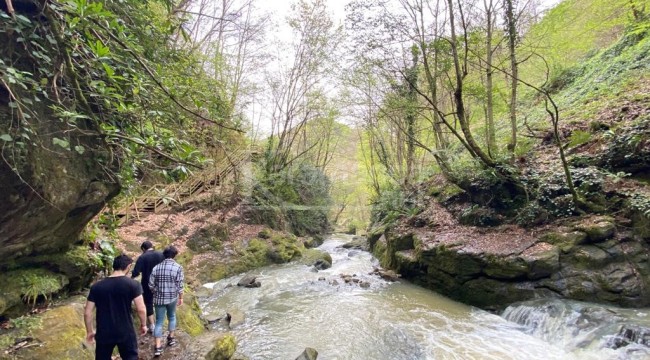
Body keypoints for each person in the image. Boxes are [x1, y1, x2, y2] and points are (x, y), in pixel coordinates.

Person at [84, 254, 147, 360]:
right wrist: (143, 324)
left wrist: (90, 331)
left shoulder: (97, 286)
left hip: (104, 331)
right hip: (125, 330)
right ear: (128, 266)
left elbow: (87, 312)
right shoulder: (133, 285)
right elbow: (141, 309)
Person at [149, 245, 184, 357]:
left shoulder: (156, 268)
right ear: (174, 255)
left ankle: (158, 347)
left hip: (159, 299)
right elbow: (180, 285)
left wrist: (156, 291)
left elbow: (150, 284)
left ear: (164, 255)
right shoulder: (178, 267)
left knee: (159, 322)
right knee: (172, 316)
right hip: (172, 297)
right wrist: (181, 297)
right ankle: (171, 338)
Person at [131, 240, 164, 332]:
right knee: (159, 301)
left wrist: (131, 278)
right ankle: (160, 322)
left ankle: (152, 325)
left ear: (143, 249)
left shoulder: (142, 257)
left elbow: (136, 272)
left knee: (148, 302)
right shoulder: (161, 254)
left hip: (147, 283)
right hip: (161, 282)